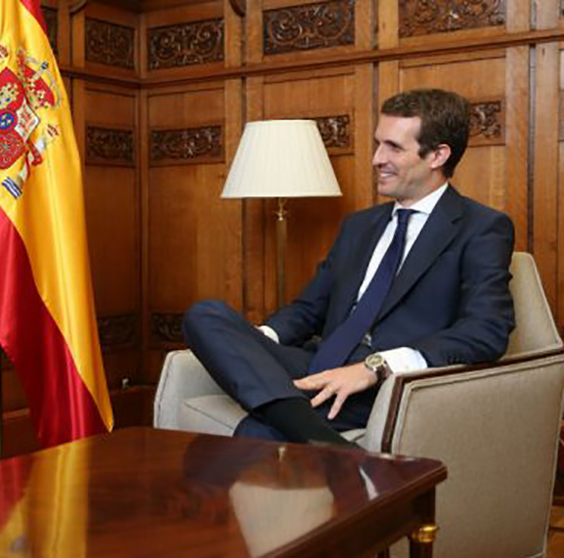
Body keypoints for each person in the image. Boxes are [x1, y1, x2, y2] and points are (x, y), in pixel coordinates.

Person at [183, 89, 515, 445]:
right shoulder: (360, 226)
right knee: (205, 316)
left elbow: (487, 330)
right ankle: (315, 434)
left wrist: (375, 368)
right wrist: (252, 343)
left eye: (393, 147)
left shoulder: (480, 227)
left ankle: (293, 423)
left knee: (257, 430)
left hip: (381, 385)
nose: (376, 158)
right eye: (377, 144)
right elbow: (309, 309)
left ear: (437, 155)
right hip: (318, 363)